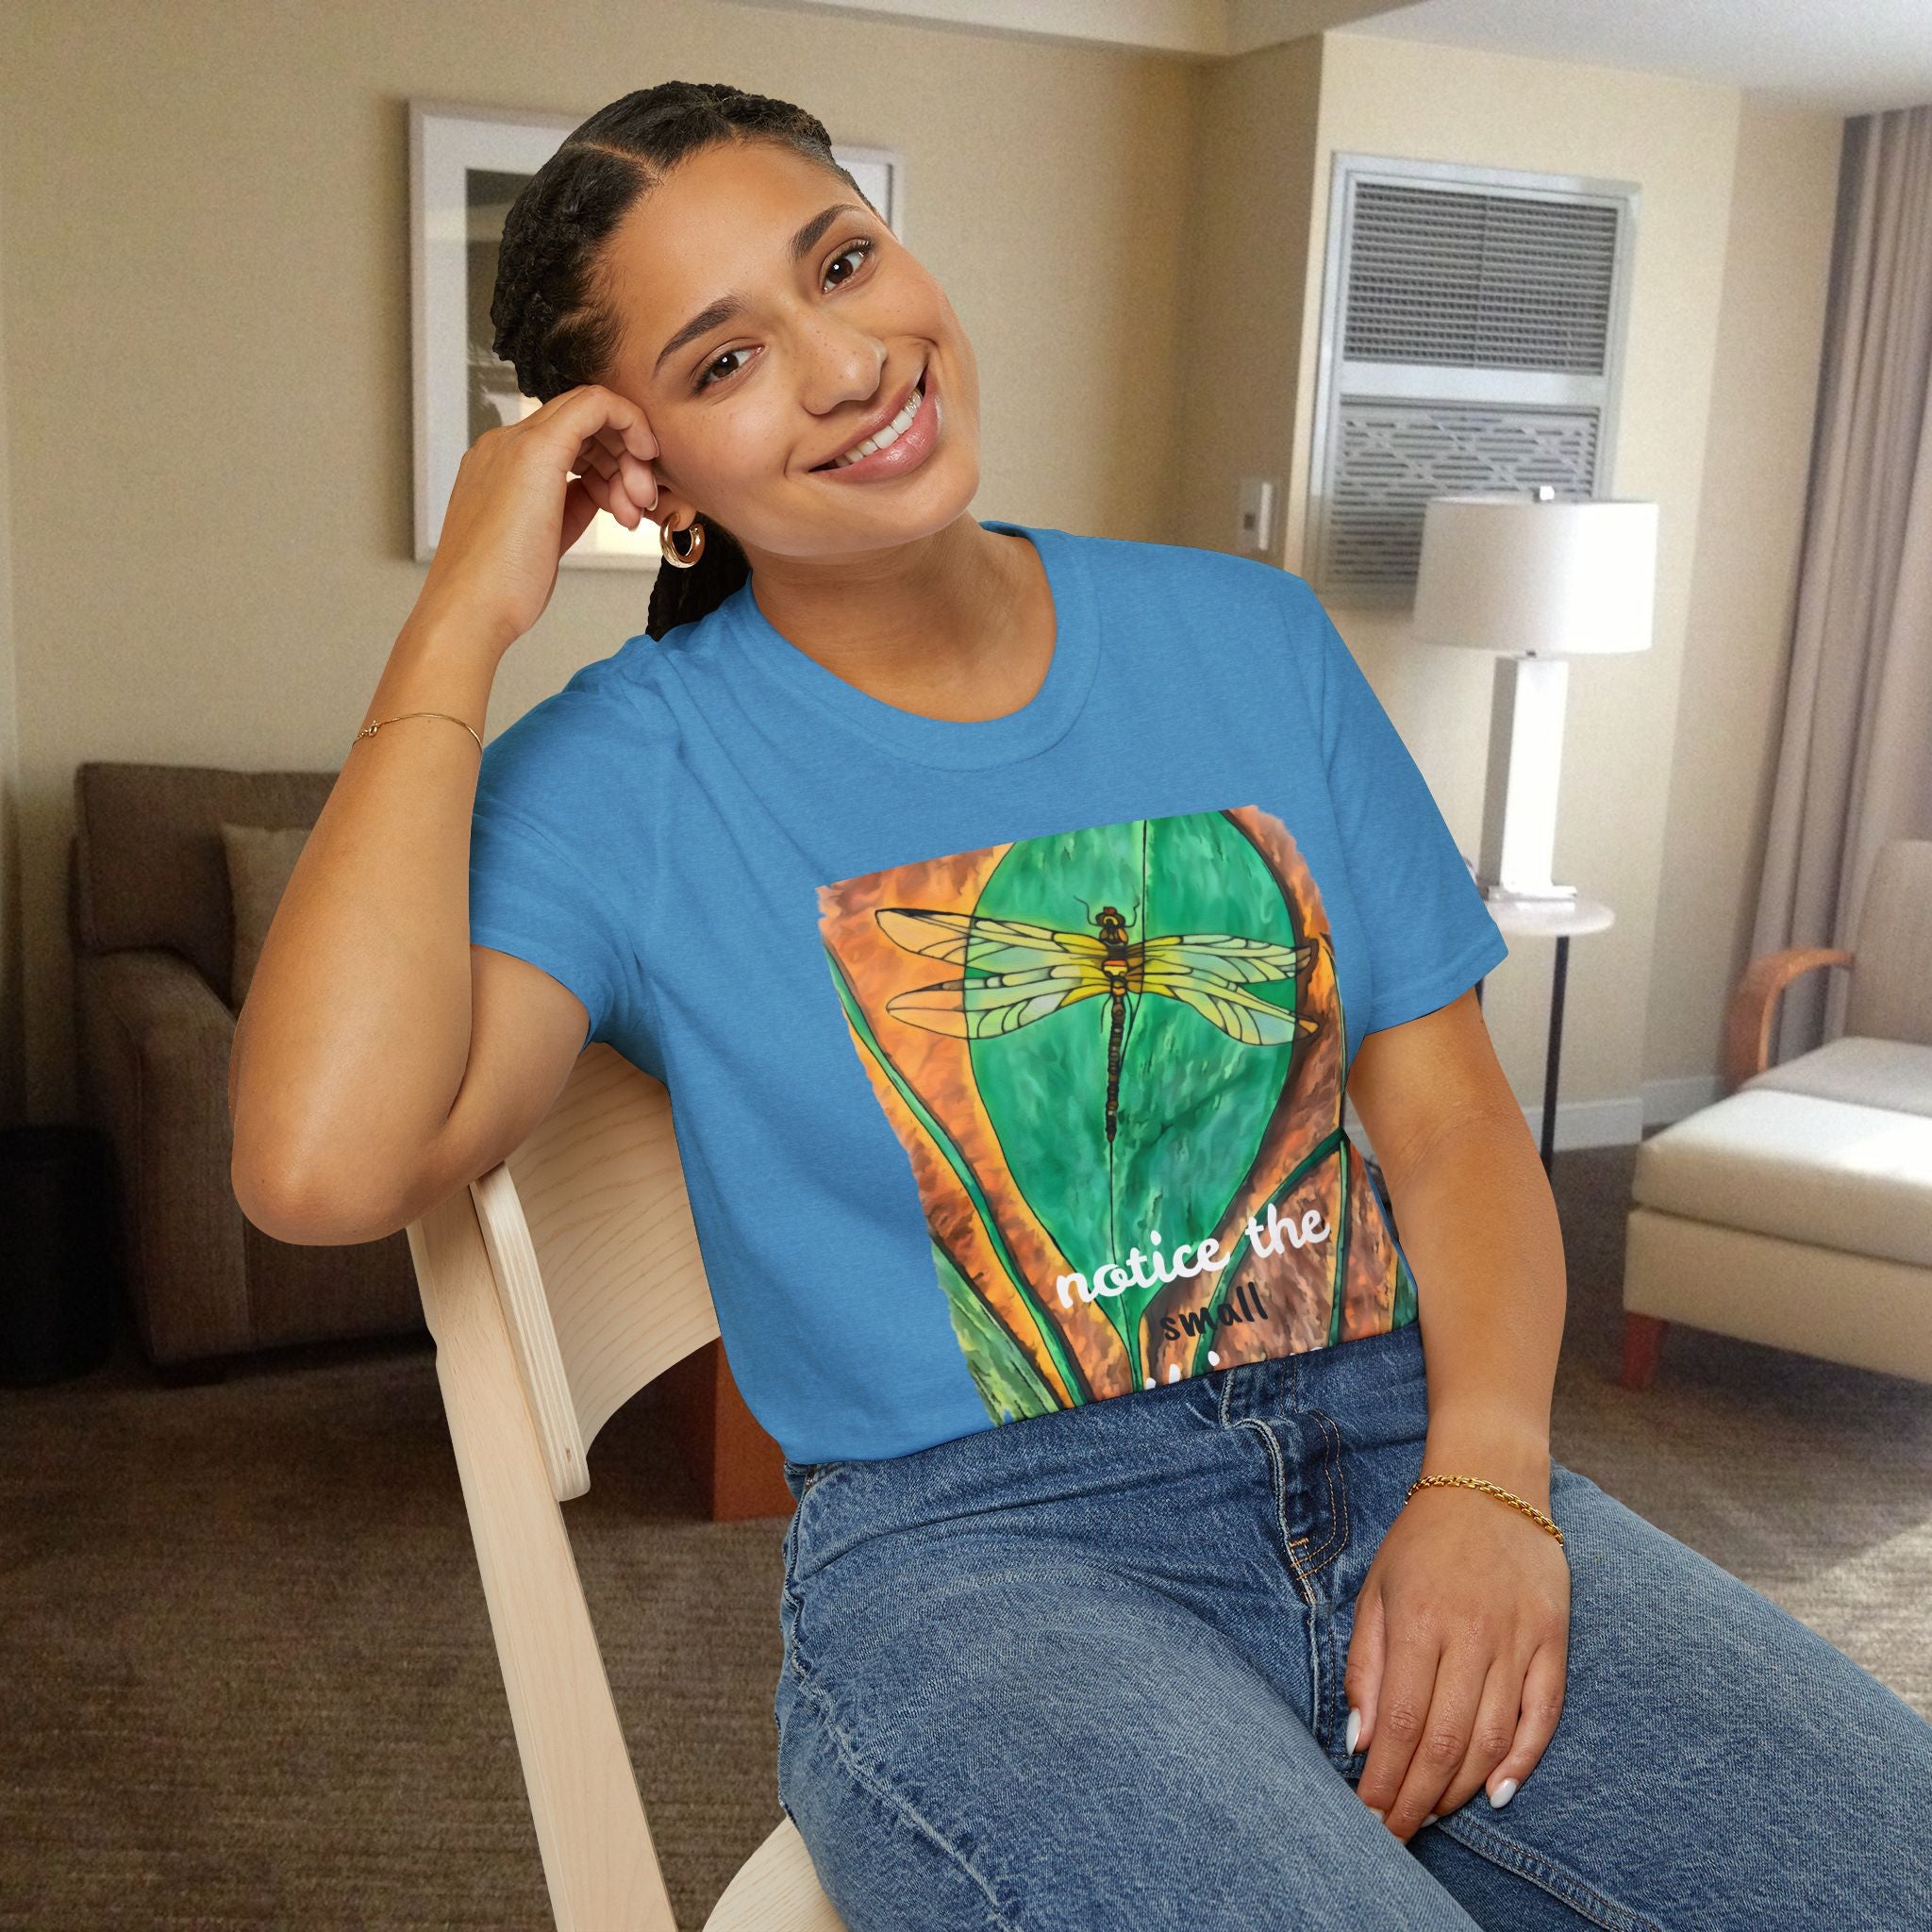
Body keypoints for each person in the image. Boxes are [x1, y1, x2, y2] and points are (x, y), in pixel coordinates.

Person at [229, 79, 1932, 1932]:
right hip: (988, 1564)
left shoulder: (1246, 637)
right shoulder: (627, 771)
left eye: (844, 263)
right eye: (724, 361)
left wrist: (1492, 1485)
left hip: (1395, 1438)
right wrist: (459, 620)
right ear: (648, 474)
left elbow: (1448, 1126)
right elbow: (321, 1165)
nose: (846, 361)